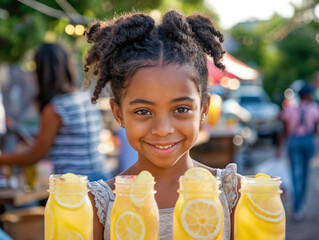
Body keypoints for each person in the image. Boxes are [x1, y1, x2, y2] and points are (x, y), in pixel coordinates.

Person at [85, 10, 240, 240]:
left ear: (203, 109)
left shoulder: (233, 195)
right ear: (118, 114)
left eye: (181, 109)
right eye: (143, 111)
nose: (163, 128)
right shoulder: (98, 205)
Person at [0, 43, 110, 182]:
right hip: (100, 178)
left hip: (75, 185)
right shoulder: (84, 98)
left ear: (42, 72)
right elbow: (70, 146)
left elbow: (34, 156)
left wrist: (2, 159)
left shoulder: (57, 108)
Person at [276, 83, 319, 222]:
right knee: (306, 174)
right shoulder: (314, 109)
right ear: (307, 95)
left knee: (295, 174)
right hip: (308, 141)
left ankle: (297, 207)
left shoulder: (290, 110)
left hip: (293, 141)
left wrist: (278, 148)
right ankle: (301, 205)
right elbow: (315, 129)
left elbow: (283, 128)